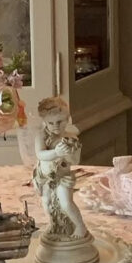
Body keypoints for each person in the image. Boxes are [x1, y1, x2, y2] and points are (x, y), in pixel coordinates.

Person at [32, 96, 88, 240]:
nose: (55, 126)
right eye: (50, 123)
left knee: (66, 203)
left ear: (67, 118)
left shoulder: (71, 139)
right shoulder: (41, 136)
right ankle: (54, 224)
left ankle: (80, 226)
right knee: (47, 203)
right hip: (44, 177)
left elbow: (75, 161)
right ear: (44, 122)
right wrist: (56, 152)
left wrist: (67, 154)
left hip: (62, 177)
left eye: (60, 121)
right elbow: (40, 154)